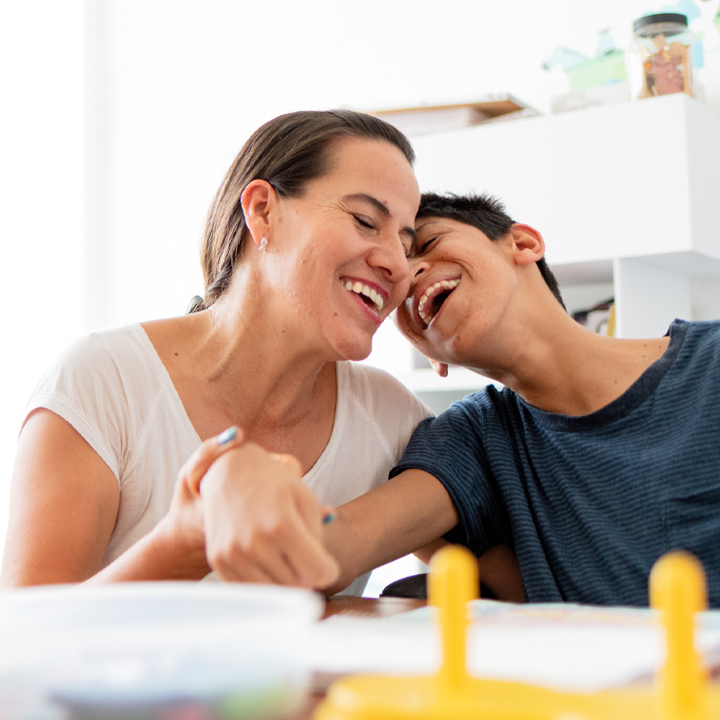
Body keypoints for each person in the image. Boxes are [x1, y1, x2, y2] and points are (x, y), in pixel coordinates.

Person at [200, 190, 720, 607]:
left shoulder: (711, 361)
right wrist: (233, 480)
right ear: (433, 357)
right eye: (400, 293)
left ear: (523, 243)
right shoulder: (472, 440)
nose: (412, 274)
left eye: (425, 243)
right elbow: (329, 547)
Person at [0, 109, 431, 595]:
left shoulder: (390, 418)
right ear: (263, 210)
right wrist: (182, 544)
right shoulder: (101, 381)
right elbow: (21, 641)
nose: (397, 264)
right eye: (365, 220)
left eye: (407, 242)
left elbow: (510, 565)